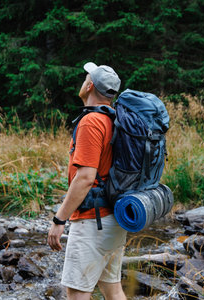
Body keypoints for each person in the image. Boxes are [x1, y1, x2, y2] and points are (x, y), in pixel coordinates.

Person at [47, 62, 127, 300]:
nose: (83, 81)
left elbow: (85, 178)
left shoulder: (91, 122)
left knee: (77, 293)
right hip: (113, 219)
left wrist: (59, 219)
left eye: (86, 78)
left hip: (94, 222)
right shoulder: (113, 119)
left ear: (90, 85)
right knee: (112, 289)